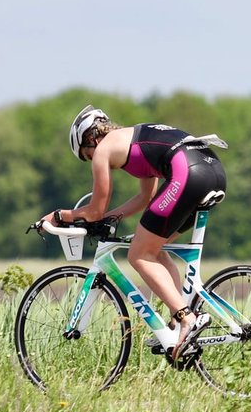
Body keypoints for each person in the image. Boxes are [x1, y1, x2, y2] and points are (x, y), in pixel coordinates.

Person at [41, 105, 227, 361]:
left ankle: (187, 318)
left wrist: (60, 216)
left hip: (189, 173)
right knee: (154, 250)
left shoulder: (103, 150)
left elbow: (95, 209)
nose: (91, 160)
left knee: (139, 255)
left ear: (91, 138)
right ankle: (176, 324)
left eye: (86, 154)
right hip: (212, 171)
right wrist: (110, 217)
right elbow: (144, 197)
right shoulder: (133, 139)